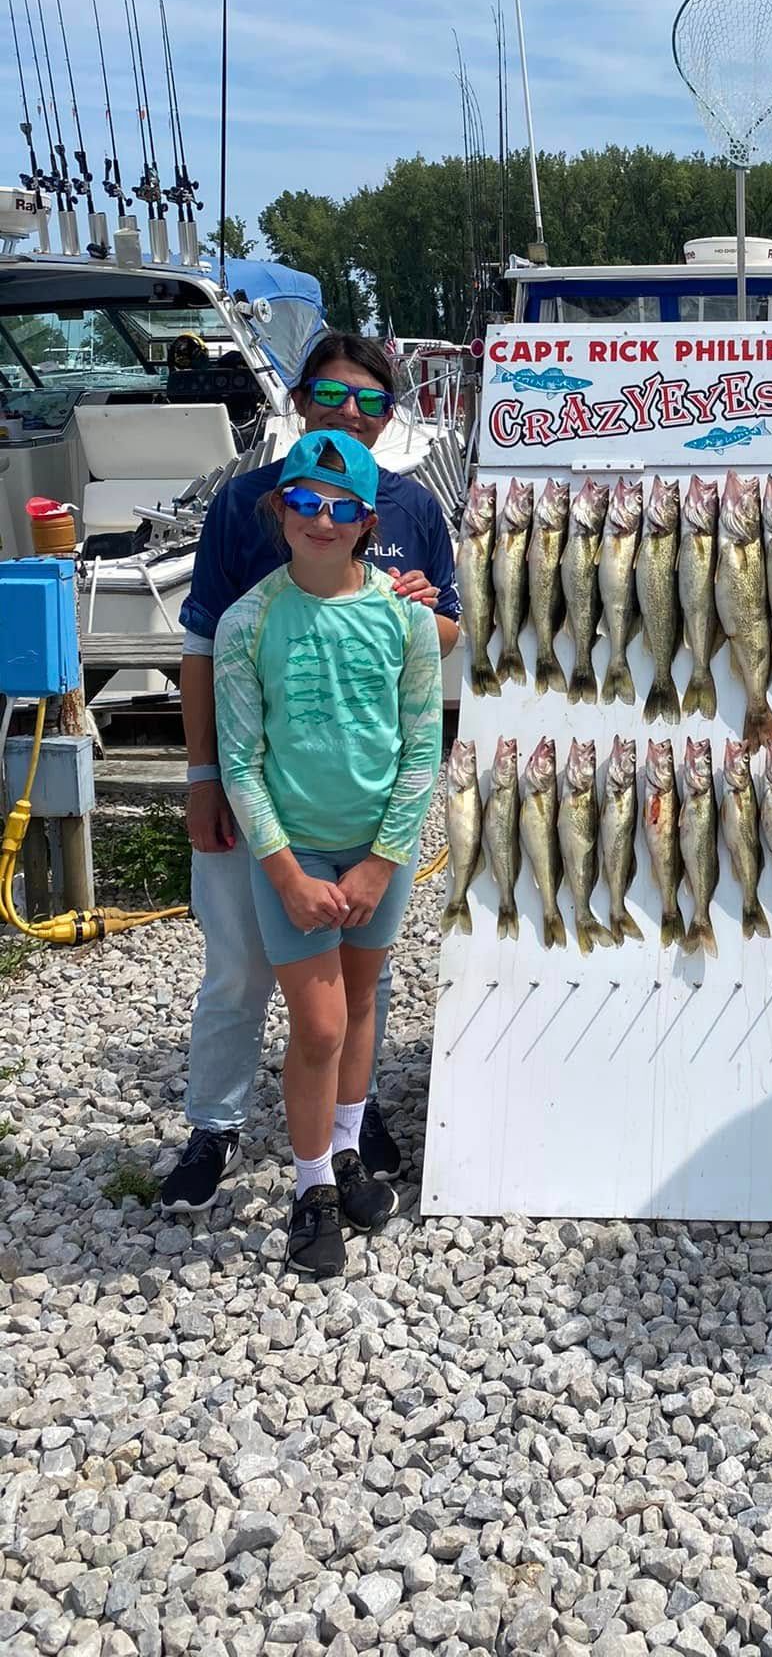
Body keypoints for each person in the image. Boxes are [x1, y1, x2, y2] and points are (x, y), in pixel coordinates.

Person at [160, 332, 460, 1213]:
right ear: (298, 399)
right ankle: (214, 1126)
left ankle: (347, 1131)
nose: (348, 411)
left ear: (390, 416)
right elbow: (204, 643)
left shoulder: (414, 510)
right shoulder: (241, 504)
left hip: (366, 806)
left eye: (370, 401)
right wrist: (203, 775)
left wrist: (413, 617)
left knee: (361, 980)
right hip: (264, 793)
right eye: (331, 394)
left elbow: (443, 636)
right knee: (238, 966)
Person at [214, 430, 443, 1275]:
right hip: (296, 850)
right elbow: (240, 760)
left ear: (367, 523)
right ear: (281, 510)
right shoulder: (250, 619)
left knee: (362, 999)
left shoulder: (407, 619)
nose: (322, 518)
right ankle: (310, 1186)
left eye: (342, 507)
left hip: (381, 847)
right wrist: (283, 869)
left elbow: (422, 749)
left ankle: (346, 1149)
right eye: (306, 502)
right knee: (316, 1025)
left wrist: (384, 859)